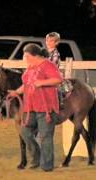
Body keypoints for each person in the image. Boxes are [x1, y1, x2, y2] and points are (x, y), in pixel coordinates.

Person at [8, 43, 63, 172]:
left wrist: (41, 83)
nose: (25, 58)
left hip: (46, 107)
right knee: (25, 132)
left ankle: (47, 165)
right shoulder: (30, 67)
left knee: (45, 136)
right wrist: (16, 92)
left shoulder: (48, 65)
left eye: (26, 56)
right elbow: (26, 84)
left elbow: (58, 79)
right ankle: (36, 156)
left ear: (35, 55)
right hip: (30, 106)